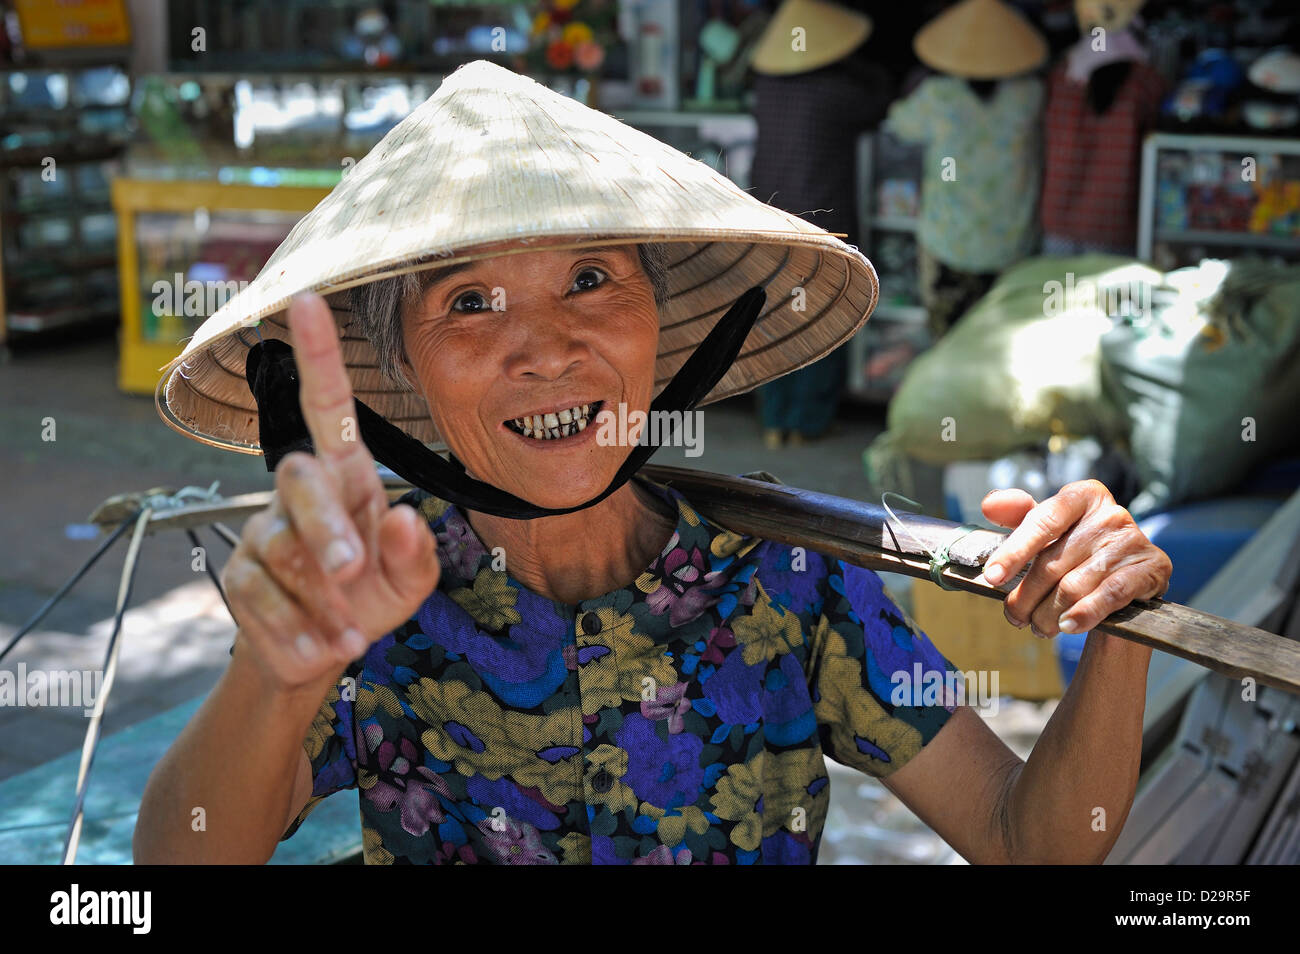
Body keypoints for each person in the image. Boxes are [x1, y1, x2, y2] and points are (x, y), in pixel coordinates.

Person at [135, 60, 1171, 865]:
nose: (546, 348)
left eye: (590, 277)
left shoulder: (794, 575)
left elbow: (1032, 839)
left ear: (662, 331)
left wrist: (1118, 626)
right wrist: (278, 673)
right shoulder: (365, 587)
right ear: (399, 372)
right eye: (468, 301)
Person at [884, 0, 1048, 340]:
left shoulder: (939, 97)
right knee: (1001, 346)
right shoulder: (1030, 96)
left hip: (949, 245)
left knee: (948, 346)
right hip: (1011, 247)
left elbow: (899, 124)